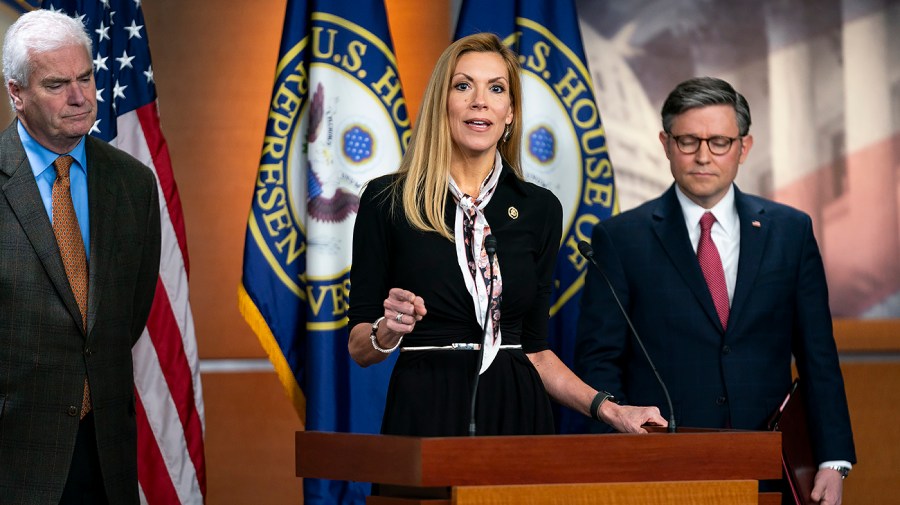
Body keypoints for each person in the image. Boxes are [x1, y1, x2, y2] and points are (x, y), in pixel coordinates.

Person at [347, 32, 665, 439]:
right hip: (426, 407)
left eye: (496, 89)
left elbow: (535, 349)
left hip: (517, 410)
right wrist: (386, 329)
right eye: (463, 86)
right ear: (441, 103)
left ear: (510, 111)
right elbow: (360, 347)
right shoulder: (388, 199)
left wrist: (612, 411)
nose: (480, 100)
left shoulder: (540, 209)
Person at [575, 76, 856, 504]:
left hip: (768, 465)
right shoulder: (620, 238)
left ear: (744, 147)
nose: (703, 156)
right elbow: (599, 359)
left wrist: (833, 461)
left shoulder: (790, 231)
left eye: (720, 142)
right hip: (659, 467)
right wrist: (618, 452)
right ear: (665, 144)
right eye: (688, 141)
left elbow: (818, 355)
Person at [1, 10, 160, 504]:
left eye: (86, 77)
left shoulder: (133, 183)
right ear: (16, 93)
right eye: (56, 84)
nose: (79, 96)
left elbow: (127, 315)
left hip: (105, 458)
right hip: (13, 461)